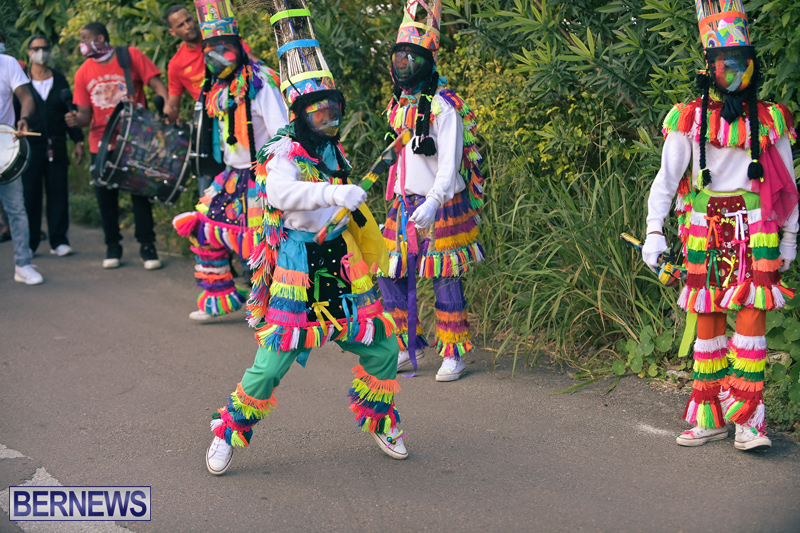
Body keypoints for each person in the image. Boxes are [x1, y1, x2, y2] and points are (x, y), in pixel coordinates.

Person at [198, 0, 408, 476]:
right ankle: (228, 432)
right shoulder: (282, 151)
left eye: (334, 111)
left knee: (381, 348)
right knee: (270, 366)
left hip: (343, 262)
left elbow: (344, 206)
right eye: (320, 113)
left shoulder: (333, 150)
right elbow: (280, 193)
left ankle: (381, 420)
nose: (329, 120)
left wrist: (357, 214)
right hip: (297, 265)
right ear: (299, 114)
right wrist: (333, 192)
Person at [643, 0, 798, 451]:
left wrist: (790, 238)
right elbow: (666, 180)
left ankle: (748, 420)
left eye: (740, 62)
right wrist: (654, 231)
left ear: (753, 64)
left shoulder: (769, 119)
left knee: (751, 321)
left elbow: (787, 185)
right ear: (709, 66)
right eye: (723, 62)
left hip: (757, 230)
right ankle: (709, 414)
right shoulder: (689, 118)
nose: (732, 72)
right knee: (707, 320)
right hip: (703, 229)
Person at [377, 0, 485, 381]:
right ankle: (406, 345)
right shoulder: (398, 105)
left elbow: (449, 165)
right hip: (404, 203)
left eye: (412, 57)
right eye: (399, 56)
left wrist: (435, 201)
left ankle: (453, 353)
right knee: (388, 271)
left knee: (445, 275)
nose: (404, 63)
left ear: (428, 59)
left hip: (442, 204)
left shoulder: (444, 106)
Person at [172, 0, 288, 322]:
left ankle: (271, 306)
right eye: (210, 50)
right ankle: (218, 298)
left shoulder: (260, 82)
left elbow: (282, 134)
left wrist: (279, 178)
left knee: (261, 243)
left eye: (224, 48)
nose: (218, 56)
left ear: (238, 46)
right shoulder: (216, 86)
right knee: (204, 230)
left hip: (262, 176)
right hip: (231, 175)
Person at [65, 22, 168, 270]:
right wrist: (76, 120)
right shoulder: (82, 73)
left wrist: (167, 110)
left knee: (140, 192)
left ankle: (147, 246)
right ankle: (112, 246)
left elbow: (156, 85)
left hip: (136, 137)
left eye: (86, 38)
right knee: (105, 195)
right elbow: (85, 116)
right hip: (101, 141)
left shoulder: (129, 56)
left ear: (101, 38)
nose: (82, 43)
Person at [163, 3, 256, 194]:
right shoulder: (176, 64)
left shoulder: (222, 40)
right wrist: (166, 117)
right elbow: (173, 106)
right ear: (172, 32)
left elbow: (255, 64)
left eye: (189, 20)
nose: (188, 26)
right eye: (180, 25)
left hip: (241, 115)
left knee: (250, 171)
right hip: (210, 127)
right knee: (208, 189)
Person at [17, 35, 85, 257]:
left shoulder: (59, 79)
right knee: (30, 196)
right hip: (30, 148)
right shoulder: (22, 82)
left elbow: (70, 111)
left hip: (57, 145)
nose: (42, 52)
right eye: (37, 49)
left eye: (45, 48)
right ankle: (31, 242)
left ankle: (59, 241)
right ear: (29, 52)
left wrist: (78, 140)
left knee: (58, 194)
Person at [0, 48, 43, 284]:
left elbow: (26, 97)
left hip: (4, 149)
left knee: (16, 208)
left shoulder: (7, 64)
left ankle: (23, 265)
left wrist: (24, 118)